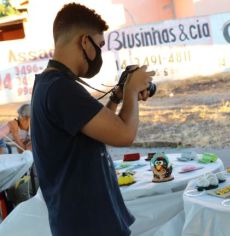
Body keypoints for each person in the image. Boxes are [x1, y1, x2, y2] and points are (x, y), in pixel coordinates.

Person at [31, 3, 154, 236]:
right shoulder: (61, 89)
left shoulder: (51, 84)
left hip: (83, 222)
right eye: (99, 45)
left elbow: (98, 131)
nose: (100, 53)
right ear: (85, 42)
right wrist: (131, 91)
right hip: (88, 225)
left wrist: (117, 97)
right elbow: (124, 134)